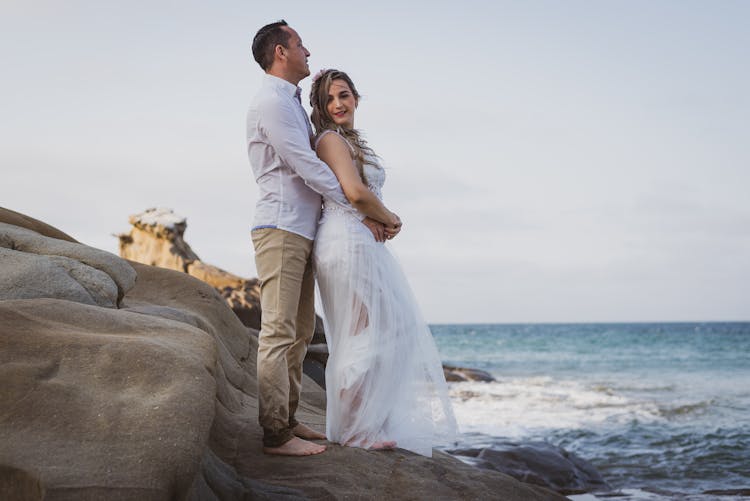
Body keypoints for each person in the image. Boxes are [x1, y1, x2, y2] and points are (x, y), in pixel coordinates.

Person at [247, 22, 401, 456]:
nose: (307, 50)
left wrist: (363, 209)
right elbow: (306, 166)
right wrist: (364, 208)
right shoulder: (271, 103)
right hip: (280, 226)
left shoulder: (290, 102)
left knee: (298, 331)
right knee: (279, 331)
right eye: (299, 43)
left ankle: (290, 421)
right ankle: (276, 435)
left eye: (344, 95)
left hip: (305, 229)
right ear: (281, 51)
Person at [309, 69, 457, 456]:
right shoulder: (329, 141)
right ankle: (354, 428)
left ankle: (368, 417)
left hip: (362, 241)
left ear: (356, 98)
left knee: (395, 327)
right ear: (321, 108)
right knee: (363, 333)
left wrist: (376, 218)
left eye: (344, 95)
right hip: (346, 242)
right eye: (329, 100)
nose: (338, 104)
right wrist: (389, 217)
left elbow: (360, 195)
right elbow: (355, 192)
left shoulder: (350, 141)